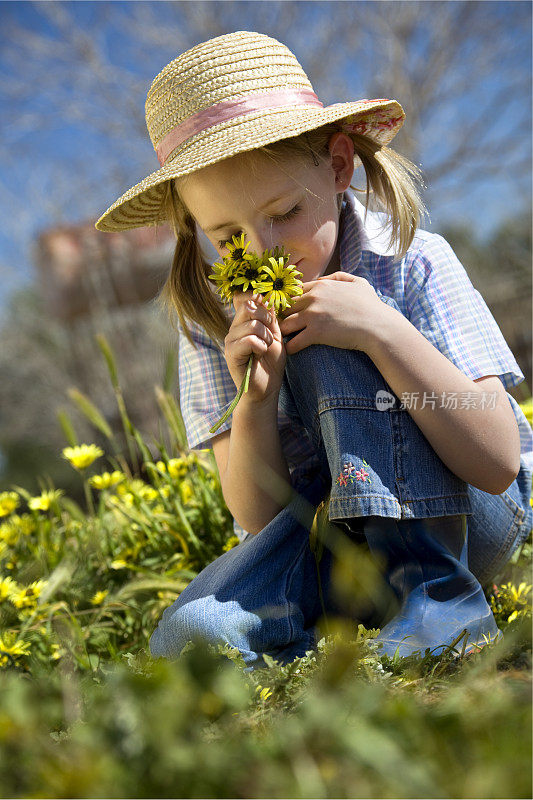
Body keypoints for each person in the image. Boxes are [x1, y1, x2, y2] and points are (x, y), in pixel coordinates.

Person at [95, 31, 533, 669]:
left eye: (285, 211)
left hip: (466, 518)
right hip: (324, 548)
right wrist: (256, 397)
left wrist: (382, 332)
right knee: (186, 640)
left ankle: (438, 608)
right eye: (229, 236)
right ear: (195, 228)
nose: (264, 248)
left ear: (337, 165)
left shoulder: (416, 262)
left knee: (331, 334)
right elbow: (256, 512)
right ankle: (342, 642)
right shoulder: (212, 316)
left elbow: (496, 463)